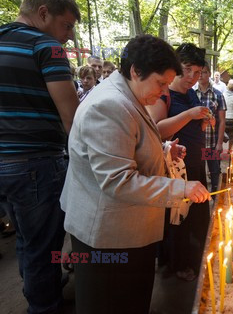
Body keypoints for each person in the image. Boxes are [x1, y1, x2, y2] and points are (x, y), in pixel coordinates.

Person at [61, 35, 210, 314]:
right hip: (108, 238)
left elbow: (128, 141)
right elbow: (118, 180)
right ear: (135, 71)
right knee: (114, 303)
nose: (164, 91)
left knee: (135, 299)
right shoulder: (108, 105)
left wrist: (164, 150)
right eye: (161, 83)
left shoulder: (127, 94)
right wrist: (182, 189)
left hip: (130, 230)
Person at [0, 0, 80, 312]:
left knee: (25, 237)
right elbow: (71, 116)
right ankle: (45, 304)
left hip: (5, 164)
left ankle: (38, 286)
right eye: (67, 25)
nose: (70, 35)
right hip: (35, 164)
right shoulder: (47, 47)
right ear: (43, 13)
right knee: (42, 246)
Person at [147, 43, 213, 281]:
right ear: (176, 66)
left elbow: (191, 122)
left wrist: (202, 121)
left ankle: (197, 259)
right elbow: (156, 130)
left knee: (197, 215)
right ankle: (177, 265)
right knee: (179, 219)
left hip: (195, 163)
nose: (192, 78)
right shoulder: (164, 94)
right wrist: (189, 115)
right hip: (174, 168)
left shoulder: (191, 93)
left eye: (197, 72)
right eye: (187, 70)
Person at [195, 63, 226, 193]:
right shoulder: (191, 94)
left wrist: (219, 143)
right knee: (198, 174)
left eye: (205, 72)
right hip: (197, 143)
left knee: (214, 173)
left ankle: (216, 200)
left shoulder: (218, 95)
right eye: (199, 72)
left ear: (209, 74)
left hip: (212, 142)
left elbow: (222, 120)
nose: (201, 75)